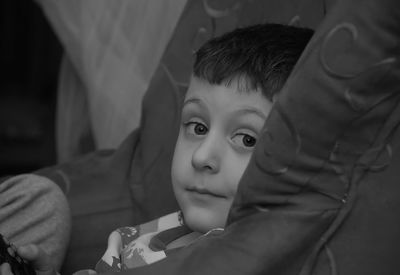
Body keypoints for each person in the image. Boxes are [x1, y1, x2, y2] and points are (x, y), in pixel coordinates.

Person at [0, 23, 313, 275]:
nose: (202, 156)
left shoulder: (253, 258)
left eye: (247, 140)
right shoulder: (165, 237)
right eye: (198, 128)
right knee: (41, 199)